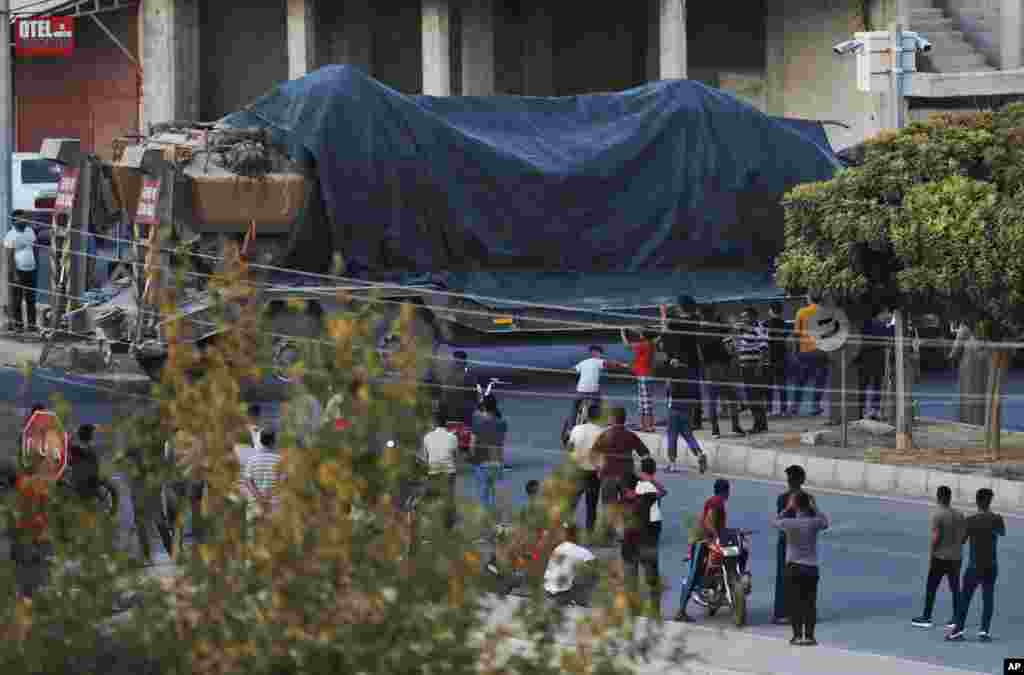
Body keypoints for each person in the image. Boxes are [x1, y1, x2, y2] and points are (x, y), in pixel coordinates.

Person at [947, 488, 1006, 643]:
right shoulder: (997, 519)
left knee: (965, 598)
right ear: (990, 502)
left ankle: (958, 631)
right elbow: (1002, 532)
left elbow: (961, 541)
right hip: (991, 565)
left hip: (974, 566)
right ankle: (984, 632)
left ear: (977, 501)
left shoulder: (970, 520)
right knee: (988, 598)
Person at [675, 479, 738, 623]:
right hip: (702, 541)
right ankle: (681, 611)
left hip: (707, 539)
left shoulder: (716, 501)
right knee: (694, 574)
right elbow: (709, 522)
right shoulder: (716, 502)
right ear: (726, 491)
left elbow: (717, 524)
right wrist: (716, 537)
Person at [773, 491, 830, 646]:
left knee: (795, 603)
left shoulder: (789, 523)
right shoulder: (814, 522)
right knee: (810, 603)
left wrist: (787, 508)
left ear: (795, 505)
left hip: (794, 567)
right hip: (811, 567)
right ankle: (810, 636)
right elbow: (825, 522)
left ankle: (797, 636)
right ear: (808, 505)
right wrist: (815, 507)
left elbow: (775, 521)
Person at [590, 407, 651, 540]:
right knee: (627, 504)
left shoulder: (605, 435)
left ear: (612, 419)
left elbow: (593, 454)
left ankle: (608, 534)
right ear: (624, 419)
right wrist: (642, 473)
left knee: (608, 505)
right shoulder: (631, 435)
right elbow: (645, 454)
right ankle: (627, 532)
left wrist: (599, 469)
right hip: (627, 476)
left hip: (608, 476)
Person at [913, 485, 965, 629]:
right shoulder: (959, 514)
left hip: (940, 557)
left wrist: (931, 555)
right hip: (956, 557)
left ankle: (927, 617)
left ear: (938, 497)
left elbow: (936, 538)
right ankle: (956, 618)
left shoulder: (938, 515)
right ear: (950, 497)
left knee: (931, 587)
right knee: (955, 588)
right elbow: (964, 536)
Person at [622, 457, 667, 616]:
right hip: (647, 543)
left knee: (631, 580)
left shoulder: (631, 492)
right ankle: (654, 613)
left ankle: (631, 611)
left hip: (629, 543)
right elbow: (663, 492)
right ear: (654, 470)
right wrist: (651, 480)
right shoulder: (651, 491)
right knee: (652, 581)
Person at [773, 465, 816, 624]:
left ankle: (782, 612)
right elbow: (815, 517)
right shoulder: (808, 498)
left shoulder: (782, 498)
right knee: (803, 579)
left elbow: (779, 520)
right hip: (803, 542)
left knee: (784, 577)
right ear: (802, 479)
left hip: (786, 540)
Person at [659, 295, 704, 430]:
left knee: (681, 392)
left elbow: (664, 330)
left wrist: (663, 312)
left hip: (681, 360)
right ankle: (696, 420)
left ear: (681, 307)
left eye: (678, 305)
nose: (676, 308)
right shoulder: (696, 319)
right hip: (693, 359)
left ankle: (685, 421)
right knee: (694, 391)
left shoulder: (677, 321)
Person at [699, 306, 744, 438]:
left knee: (712, 401)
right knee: (732, 397)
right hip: (724, 368)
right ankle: (735, 427)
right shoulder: (721, 329)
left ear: (702, 316)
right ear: (713, 315)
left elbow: (700, 355)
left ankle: (715, 430)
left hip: (709, 371)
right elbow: (731, 350)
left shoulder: (700, 332)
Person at [726, 307, 769, 434]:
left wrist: (759, 367)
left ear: (753, 316)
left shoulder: (759, 329)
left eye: (745, 317)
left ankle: (759, 425)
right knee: (752, 397)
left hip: (754, 367)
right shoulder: (745, 330)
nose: (743, 319)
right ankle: (761, 424)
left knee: (754, 397)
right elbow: (735, 344)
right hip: (745, 367)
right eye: (742, 317)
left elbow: (764, 349)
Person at [567, 402, 605, 533]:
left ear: (587, 416)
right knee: (591, 505)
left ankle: (566, 529)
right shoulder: (602, 433)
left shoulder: (577, 429)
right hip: (594, 472)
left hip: (578, 469)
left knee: (571, 502)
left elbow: (570, 448)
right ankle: (589, 532)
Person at [418, 412, 460, 530]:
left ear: (434, 423)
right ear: (446, 423)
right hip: (449, 473)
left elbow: (424, 458)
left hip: (434, 472)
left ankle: (430, 524)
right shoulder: (452, 437)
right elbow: (456, 456)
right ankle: (449, 524)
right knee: (449, 498)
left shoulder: (427, 437)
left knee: (430, 498)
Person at [664, 357, 706, 474]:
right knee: (688, 434)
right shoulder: (690, 374)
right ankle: (699, 454)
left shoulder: (671, 375)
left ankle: (672, 465)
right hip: (687, 409)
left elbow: (668, 392)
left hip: (674, 409)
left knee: (672, 436)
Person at [469, 394, 507, 516]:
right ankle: (497, 522)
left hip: (482, 462)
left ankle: (485, 524)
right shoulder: (503, 423)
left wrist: (471, 456)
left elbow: (472, 445)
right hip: (497, 461)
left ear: (484, 407)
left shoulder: (479, 423)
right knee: (495, 496)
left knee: (483, 497)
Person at [790, 294, 828, 416]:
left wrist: (795, 352)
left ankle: (795, 407)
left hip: (805, 351)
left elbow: (796, 334)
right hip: (821, 352)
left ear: (809, 298)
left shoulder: (801, 312)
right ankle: (815, 406)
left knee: (800, 380)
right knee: (819, 380)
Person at [570, 345, 627, 427]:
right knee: (598, 405)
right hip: (593, 391)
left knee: (575, 407)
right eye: (600, 353)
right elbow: (610, 364)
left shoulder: (583, 362)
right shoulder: (598, 361)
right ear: (596, 353)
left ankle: (571, 427)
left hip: (581, 390)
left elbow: (573, 370)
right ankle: (596, 425)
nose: (600, 355)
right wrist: (623, 365)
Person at [543, 524, 598, 607]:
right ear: (575, 536)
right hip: (562, 594)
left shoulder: (558, 548)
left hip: (548, 591)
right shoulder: (577, 550)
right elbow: (595, 563)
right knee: (593, 574)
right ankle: (582, 601)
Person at [4, 213, 38, 333]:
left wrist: (36, 264)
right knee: (17, 299)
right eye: (21, 219)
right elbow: (9, 257)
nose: (24, 220)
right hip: (18, 271)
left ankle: (32, 325)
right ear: (15, 221)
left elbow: (34, 248)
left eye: (25, 218)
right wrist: (14, 274)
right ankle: (18, 326)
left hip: (32, 270)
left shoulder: (30, 231)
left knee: (31, 299)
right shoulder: (10, 235)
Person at [858, 309, 894, 421]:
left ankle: (863, 409)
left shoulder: (867, 323)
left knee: (866, 384)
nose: (889, 315)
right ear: (881, 313)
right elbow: (890, 334)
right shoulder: (880, 325)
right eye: (887, 313)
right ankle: (873, 409)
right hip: (874, 358)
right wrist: (892, 325)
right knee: (875, 384)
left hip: (868, 358)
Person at [244, 429, 283, 525]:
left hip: (255, 508)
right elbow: (281, 482)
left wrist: (259, 498)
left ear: (260, 441)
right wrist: (267, 497)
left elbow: (248, 481)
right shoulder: (279, 460)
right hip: (274, 509)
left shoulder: (252, 460)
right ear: (274, 442)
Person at [621, 328, 656, 432]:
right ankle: (645, 426)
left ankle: (648, 426)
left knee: (645, 403)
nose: (639, 335)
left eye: (641, 334)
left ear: (644, 336)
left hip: (644, 376)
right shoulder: (650, 343)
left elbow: (627, 346)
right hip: (646, 375)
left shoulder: (644, 344)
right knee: (644, 402)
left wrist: (622, 333)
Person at [764, 302, 790, 416]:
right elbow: (786, 340)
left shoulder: (766, 323)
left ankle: (769, 409)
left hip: (769, 357)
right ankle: (783, 410)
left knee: (769, 385)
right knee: (782, 385)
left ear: (770, 311)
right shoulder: (785, 324)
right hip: (781, 357)